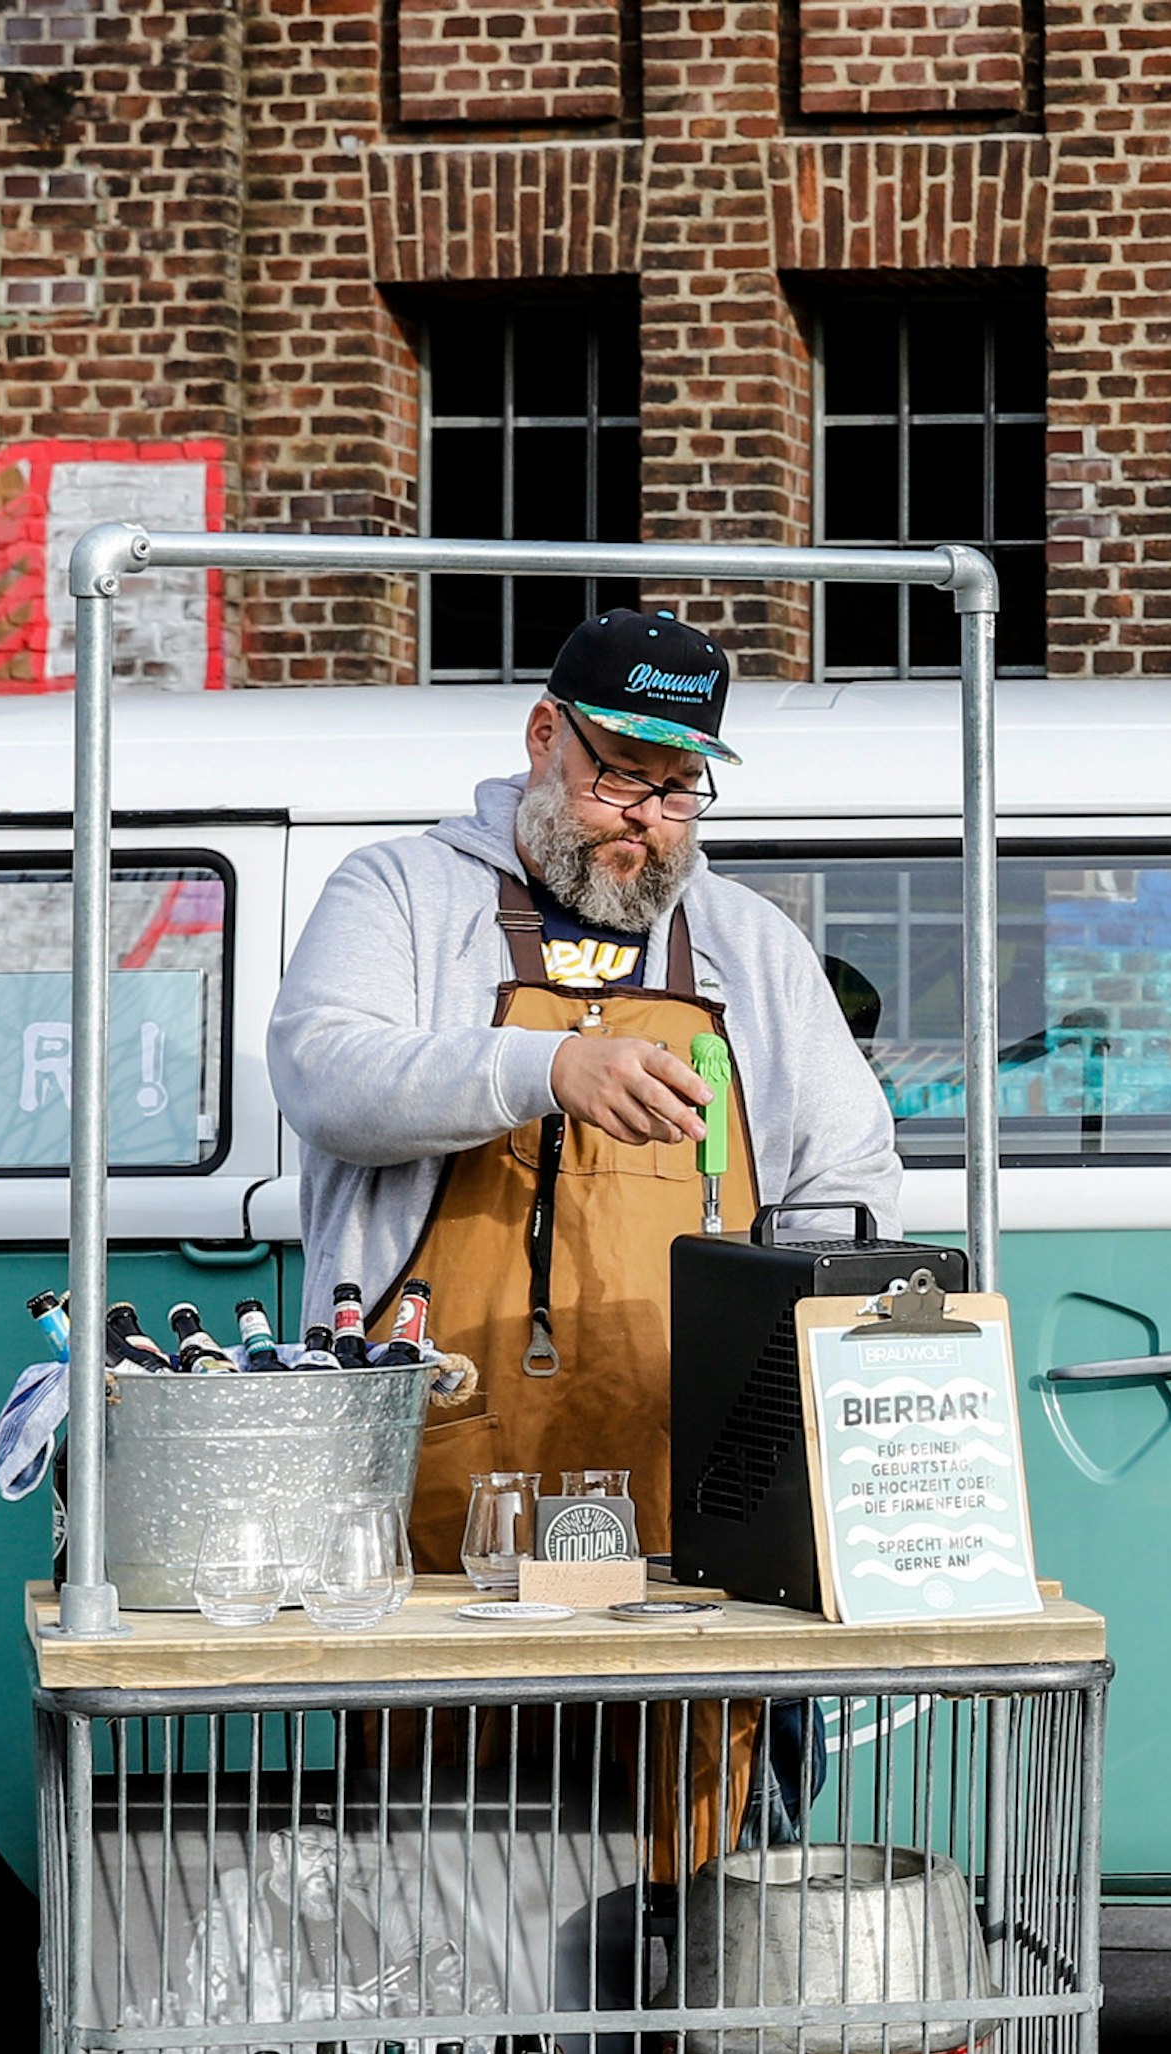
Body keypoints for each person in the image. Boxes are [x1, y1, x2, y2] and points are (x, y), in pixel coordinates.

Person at [270, 608, 902, 1573]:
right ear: (542, 735)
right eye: (620, 772)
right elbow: (324, 1075)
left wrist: (786, 1395)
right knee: (436, 1721)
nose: (647, 815)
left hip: (696, 1465)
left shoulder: (753, 943)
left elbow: (845, 1173)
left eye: (680, 786)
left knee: (693, 1723)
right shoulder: (399, 890)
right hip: (433, 1453)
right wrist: (547, 1067)